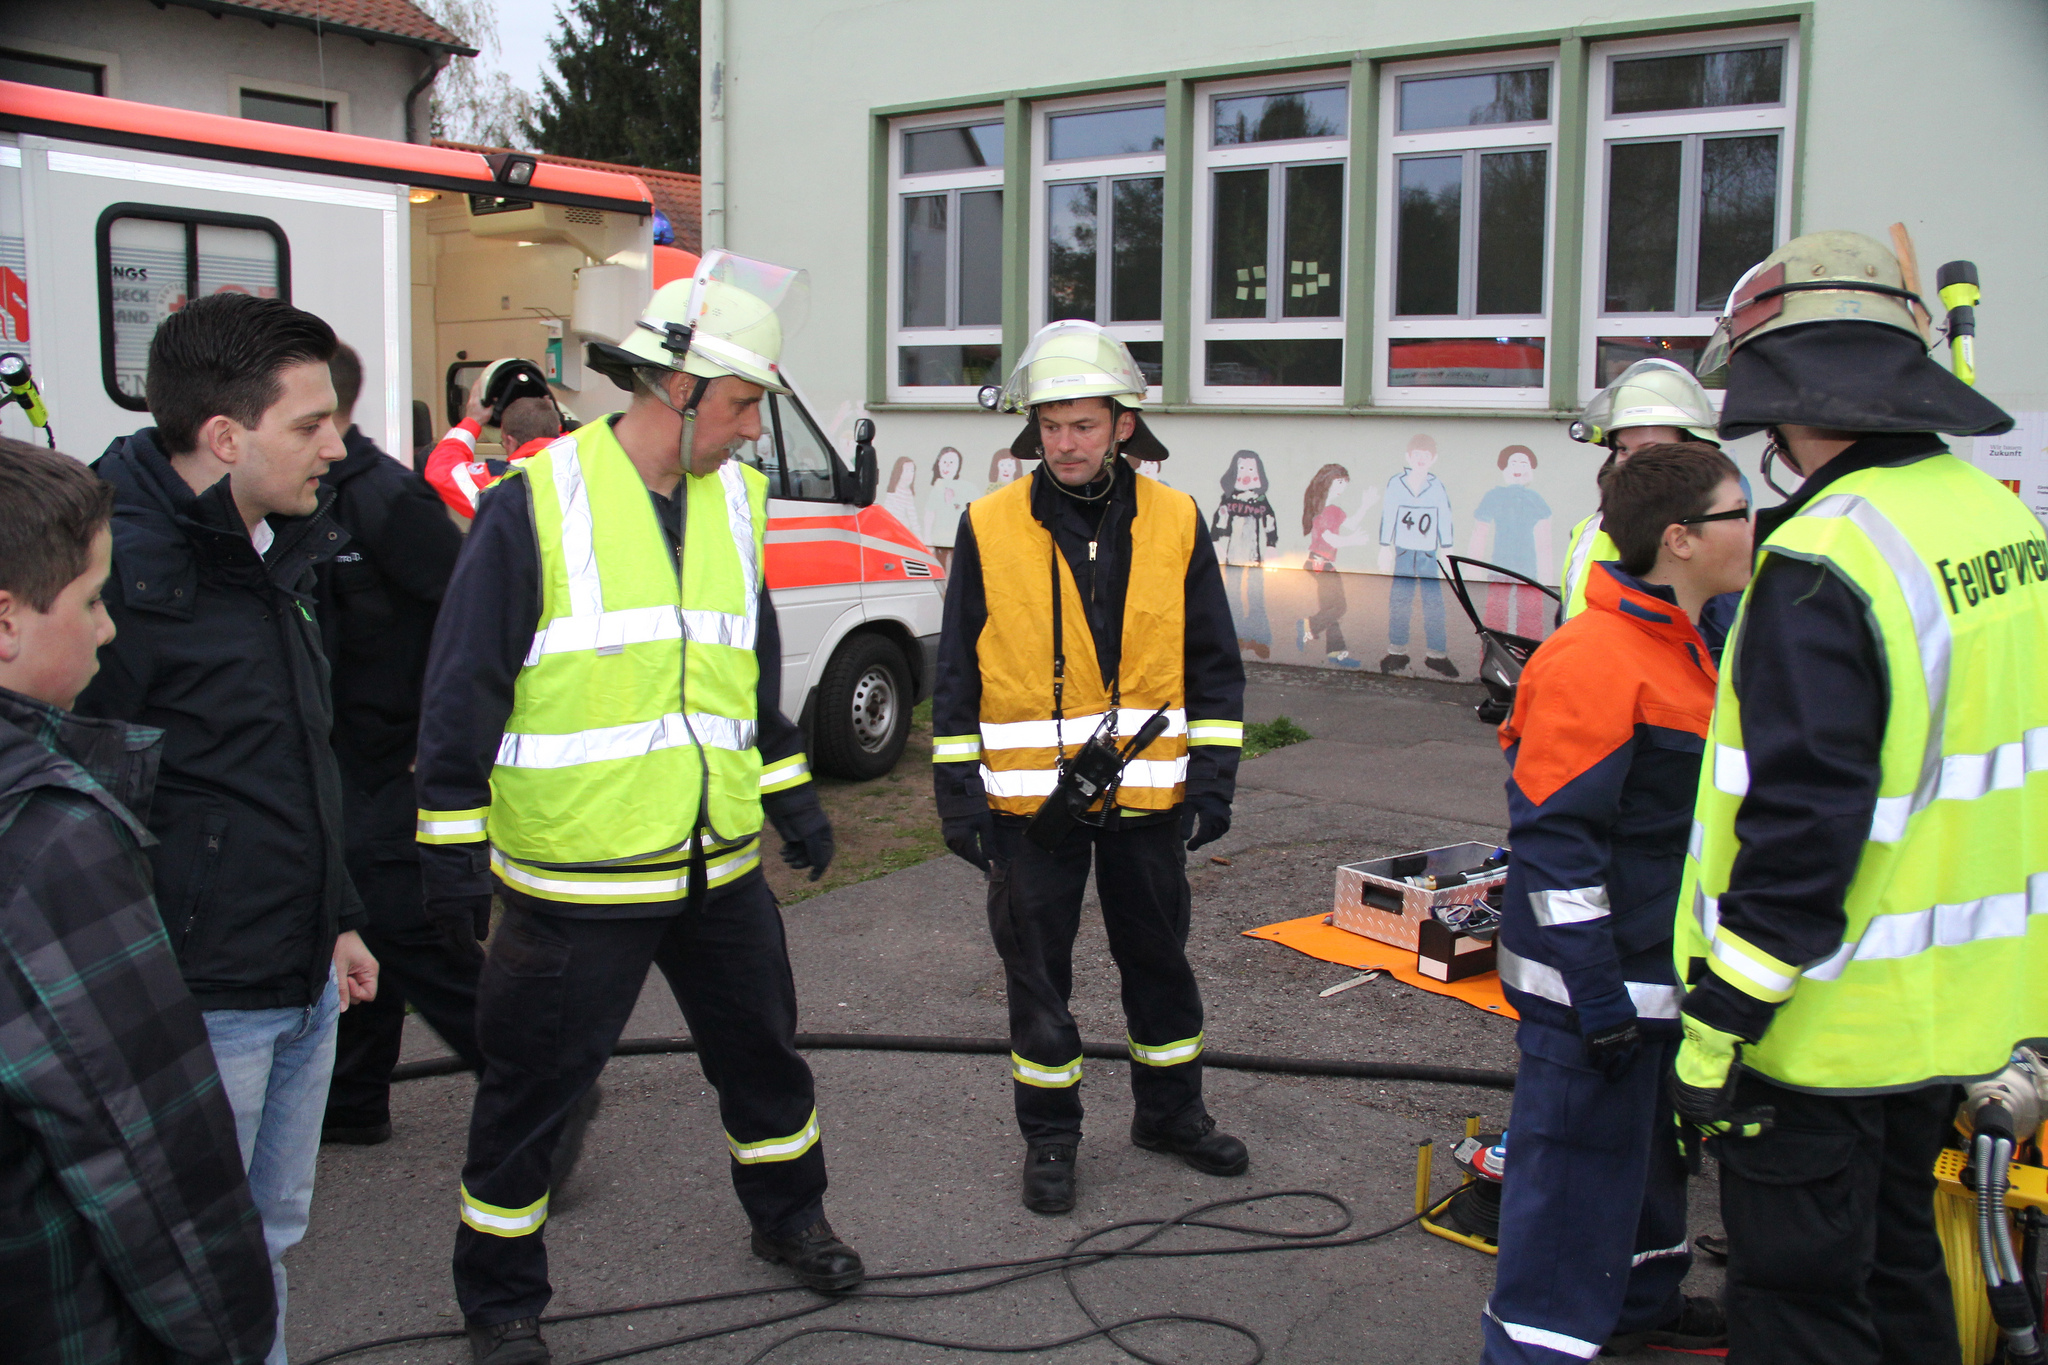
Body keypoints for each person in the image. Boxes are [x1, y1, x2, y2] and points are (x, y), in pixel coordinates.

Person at [414, 251, 855, 1365]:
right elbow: (463, 682)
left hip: (714, 867)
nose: (753, 430)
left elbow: (741, 676)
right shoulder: (537, 504)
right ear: (678, 388)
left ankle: (790, 1221)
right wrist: (450, 846)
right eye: (746, 403)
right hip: (578, 877)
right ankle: (501, 1303)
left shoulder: (735, 506)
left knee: (765, 1061)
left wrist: (788, 795)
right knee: (531, 1098)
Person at [1673, 229, 2044, 1365]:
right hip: (1957, 1015)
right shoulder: (1998, 524)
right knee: (1897, 1277)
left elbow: (1800, 829)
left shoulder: (1823, 556)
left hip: (1819, 1031)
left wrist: (1715, 1030)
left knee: (1799, 1307)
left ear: (1780, 402)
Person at [75, 292, 380, 1365]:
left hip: (298, 970)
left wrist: (336, 917)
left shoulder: (278, 544)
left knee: (265, 1243)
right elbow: (81, 809)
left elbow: (295, 757)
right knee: (182, 1263)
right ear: (223, 435)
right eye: (311, 426)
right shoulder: (110, 566)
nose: (338, 450)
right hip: (199, 998)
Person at [933, 319, 1248, 1215]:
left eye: (1082, 423)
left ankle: (1172, 1116)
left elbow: (1213, 661)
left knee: (1160, 963)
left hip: (1151, 798)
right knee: (1039, 977)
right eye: (1049, 425)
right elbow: (956, 668)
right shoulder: (988, 524)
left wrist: (1215, 781)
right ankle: (1052, 1139)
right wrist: (958, 797)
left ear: (1121, 425)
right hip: (1030, 809)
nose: (1064, 442)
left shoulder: (1178, 518)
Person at [0, 437, 277, 1365]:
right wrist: (234, 1333)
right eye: (88, 599)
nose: (109, 628)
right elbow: (144, 1151)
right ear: (5, 621)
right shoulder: (48, 841)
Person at [1483, 442, 1751, 1363]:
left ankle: (1641, 1300)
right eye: (1737, 512)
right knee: (1569, 1195)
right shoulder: (1597, 660)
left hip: (1652, 984)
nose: (1753, 528)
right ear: (1680, 539)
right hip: (1592, 997)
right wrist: (1596, 1000)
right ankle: (1532, 1348)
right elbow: (1559, 852)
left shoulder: (1689, 643)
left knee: (1646, 1169)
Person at [315, 344, 482, 1146]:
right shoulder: (302, 502)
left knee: (409, 931)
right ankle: (352, 1102)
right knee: (361, 924)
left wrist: (440, 733)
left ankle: (540, 1087)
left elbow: (470, 613)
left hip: (394, 758)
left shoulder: (386, 501)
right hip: (335, 756)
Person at [1558, 358, 1720, 623]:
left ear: (1694, 450)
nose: (1631, 463)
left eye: (1649, 449)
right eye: (1623, 449)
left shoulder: (1719, 535)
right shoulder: (1589, 531)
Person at [423, 368, 564, 519]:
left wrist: (472, 420)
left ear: (509, 440)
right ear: (557, 428)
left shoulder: (498, 484)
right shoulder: (583, 466)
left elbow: (442, 470)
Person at [1377, 433, 1459, 676]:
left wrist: (1447, 548)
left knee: (1433, 603)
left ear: (1433, 458)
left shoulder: (1436, 486)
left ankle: (1437, 654)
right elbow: (1389, 514)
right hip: (1403, 551)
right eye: (1417, 455)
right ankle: (1397, 652)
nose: (1421, 459)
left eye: (1426, 456)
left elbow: (1444, 516)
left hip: (1428, 553)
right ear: (1408, 457)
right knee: (1400, 601)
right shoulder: (1396, 483)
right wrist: (1384, 546)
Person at [1296, 462, 1378, 669]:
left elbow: (1349, 524)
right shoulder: (1324, 510)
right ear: (1327, 483)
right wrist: (1354, 541)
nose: (1342, 487)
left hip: (1322, 563)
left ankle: (1336, 652)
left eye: (1344, 483)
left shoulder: (1333, 509)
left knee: (1330, 608)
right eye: (1339, 482)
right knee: (1339, 607)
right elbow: (1330, 538)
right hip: (1321, 564)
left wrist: (1366, 505)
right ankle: (1309, 625)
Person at [1468, 445, 1553, 638]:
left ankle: (1528, 660)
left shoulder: (1535, 500)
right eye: (1513, 462)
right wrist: (1473, 566)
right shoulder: (1493, 496)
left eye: (1524, 463)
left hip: (1529, 569)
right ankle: (1494, 655)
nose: (1519, 467)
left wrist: (1547, 573)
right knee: (1495, 615)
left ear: (1531, 470)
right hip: (1499, 566)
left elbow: (1544, 539)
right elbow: (1480, 531)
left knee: (1531, 617)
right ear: (1503, 469)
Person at [1209, 449, 1276, 658]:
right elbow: (1218, 524)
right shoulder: (1228, 501)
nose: (1247, 473)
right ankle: (1234, 638)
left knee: (1256, 595)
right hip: (1232, 557)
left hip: (1255, 556)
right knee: (1233, 596)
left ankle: (1258, 638)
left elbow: (1270, 523)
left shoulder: (1261, 501)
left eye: (1251, 469)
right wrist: (1217, 545)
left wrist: (1272, 546)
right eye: (1243, 469)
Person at [923, 445, 965, 568]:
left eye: (952, 462)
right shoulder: (936, 488)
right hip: (939, 541)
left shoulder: (965, 488)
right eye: (944, 462)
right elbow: (929, 514)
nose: (947, 466)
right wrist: (927, 540)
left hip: (958, 540)